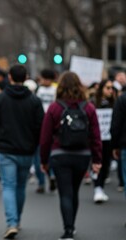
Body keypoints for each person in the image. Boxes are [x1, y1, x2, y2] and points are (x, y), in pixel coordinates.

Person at [40, 71, 102, 240]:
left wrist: (43, 160)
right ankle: (72, 226)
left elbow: (45, 138)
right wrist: (97, 159)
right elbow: (96, 135)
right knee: (74, 191)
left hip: (60, 155)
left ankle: (68, 230)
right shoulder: (89, 107)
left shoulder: (55, 107)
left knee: (65, 192)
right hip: (82, 155)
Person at [0, 64, 44, 239]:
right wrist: (33, 144)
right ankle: (17, 220)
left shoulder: (0, 98)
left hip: (6, 149)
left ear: (9, 77)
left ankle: (11, 222)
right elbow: (40, 127)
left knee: (8, 186)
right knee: (20, 186)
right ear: (26, 77)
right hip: (27, 151)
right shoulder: (34, 100)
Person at [90, 79, 116, 203]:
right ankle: (97, 187)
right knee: (97, 163)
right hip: (96, 139)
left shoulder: (114, 103)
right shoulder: (93, 103)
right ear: (101, 89)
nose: (110, 91)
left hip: (108, 139)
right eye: (108, 88)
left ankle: (100, 187)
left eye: (112, 88)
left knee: (106, 164)